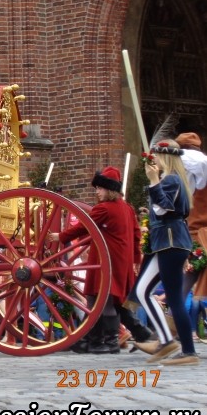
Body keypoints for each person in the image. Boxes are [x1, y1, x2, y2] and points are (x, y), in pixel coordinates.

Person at [50, 166, 140, 354]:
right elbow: (136, 235)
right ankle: (90, 340)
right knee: (95, 300)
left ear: (109, 189)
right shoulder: (128, 208)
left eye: (99, 188)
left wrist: (61, 236)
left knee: (103, 301)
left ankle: (108, 341)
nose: (97, 192)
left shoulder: (104, 208)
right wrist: (136, 259)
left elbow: (84, 227)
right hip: (119, 260)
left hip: (106, 259)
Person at [134, 140, 199, 365]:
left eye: (157, 156)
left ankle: (188, 351)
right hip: (166, 242)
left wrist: (153, 182)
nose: (154, 161)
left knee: (173, 298)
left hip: (171, 242)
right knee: (143, 290)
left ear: (165, 157)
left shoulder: (171, 179)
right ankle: (165, 340)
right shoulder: (172, 180)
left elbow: (164, 209)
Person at [176, 132, 207, 302]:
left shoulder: (190, 166)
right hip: (197, 233)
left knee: (192, 272)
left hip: (194, 233)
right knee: (192, 273)